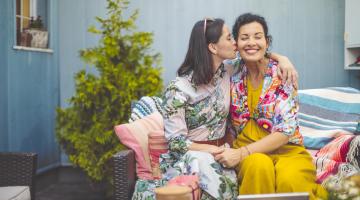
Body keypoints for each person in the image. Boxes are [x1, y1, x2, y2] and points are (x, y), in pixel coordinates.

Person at [131, 17, 298, 200]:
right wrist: (213, 151)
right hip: (194, 156)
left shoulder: (228, 71)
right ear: (212, 47)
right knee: (203, 163)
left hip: (222, 154)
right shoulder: (178, 89)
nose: (235, 43)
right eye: (229, 38)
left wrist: (283, 59)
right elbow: (176, 142)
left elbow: (254, 52)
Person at [213, 13, 327, 199]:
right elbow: (206, 58)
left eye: (258, 37)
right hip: (249, 152)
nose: (251, 42)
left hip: (288, 151)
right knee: (258, 166)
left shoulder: (282, 73)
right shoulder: (231, 70)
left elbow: (286, 131)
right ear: (236, 44)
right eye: (244, 38)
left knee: (291, 181)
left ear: (266, 41)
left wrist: (282, 59)